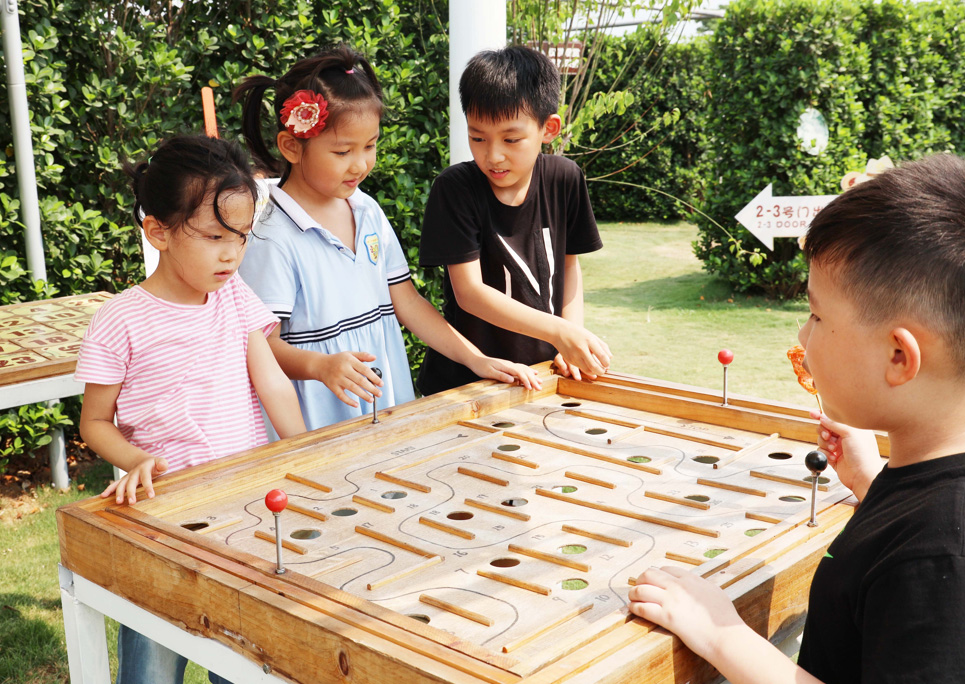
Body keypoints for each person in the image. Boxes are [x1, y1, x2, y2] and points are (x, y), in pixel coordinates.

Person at [627, 154, 965, 684]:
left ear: (899, 357)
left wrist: (721, 634)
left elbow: (937, 568)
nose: (803, 336)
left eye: (817, 315)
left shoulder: (950, 555)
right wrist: (872, 483)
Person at [76, 135, 307, 684]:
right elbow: (94, 422)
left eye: (243, 237)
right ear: (157, 231)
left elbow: (271, 381)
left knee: (248, 663)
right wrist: (135, 459)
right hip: (165, 521)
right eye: (213, 237)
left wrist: (305, 454)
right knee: (152, 667)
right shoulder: (120, 320)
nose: (232, 253)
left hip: (246, 513)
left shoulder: (233, 297)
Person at [233, 45, 540, 431]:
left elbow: (406, 302)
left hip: (383, 412)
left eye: (370, 146)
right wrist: (320, 366)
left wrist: (475, 359)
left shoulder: (367, 210)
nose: (361, 164)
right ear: (291, 146)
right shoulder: (271, 236)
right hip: (314, 423)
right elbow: (259, 346)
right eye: (343, 151)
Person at [415, 45, 611, 396]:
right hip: (466, 382)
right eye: (477, 137)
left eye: (511, 139)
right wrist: (560, 332)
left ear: (548, 129)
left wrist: (569, 335)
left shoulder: (565, 179)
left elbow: (569, 268)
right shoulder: (455, 189)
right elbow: (470, 293)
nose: (493, 155)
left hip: (541, 374)